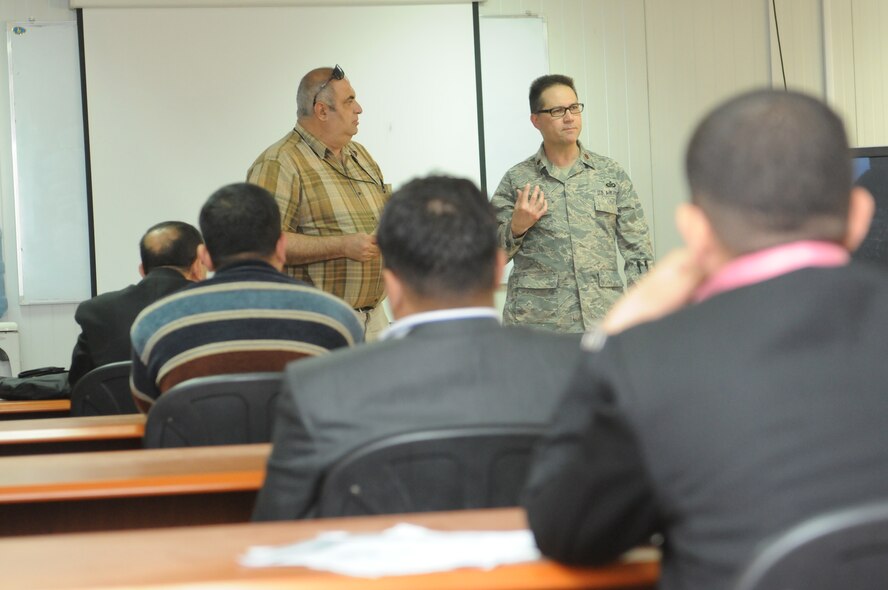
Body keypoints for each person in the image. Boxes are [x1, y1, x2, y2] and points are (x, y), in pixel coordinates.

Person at [522, 89, 888, 590]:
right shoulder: (517, 181)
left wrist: (609, 339)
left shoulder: (647, 365)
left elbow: (566, 530)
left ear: (694, 231)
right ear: (861, 213)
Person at [252, 175, 584, 521]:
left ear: (391, 286)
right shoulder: (577, 369)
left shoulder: (316, 390)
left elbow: (278, 535)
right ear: (498, 269)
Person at [130, 183, 363, 412]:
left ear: (205, 257)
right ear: (281, 247)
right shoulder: (337, 319)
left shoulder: (154, 324)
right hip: (301, 451)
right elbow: (353, 403)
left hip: (199, 449)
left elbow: (153, 413)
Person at [490, 74, 654, 333]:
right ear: (536, 120)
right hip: (537, 324)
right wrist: (516, 228)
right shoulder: (517, 179)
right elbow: (490, 256)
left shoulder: (610, 174)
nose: (569, 117)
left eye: (574, 108)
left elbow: (639, 253)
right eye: (557, 111)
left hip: (602, 320)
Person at [247, 65, 390, 340]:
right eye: (349, 101)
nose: (359, 108)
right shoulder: (280, 163)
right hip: (317, 325)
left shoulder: (360, 155)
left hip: (375, 320)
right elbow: (262, 244)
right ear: (322, 110)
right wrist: (342, 246)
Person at [68, 221, 204, 387]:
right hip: (192, 411)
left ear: (142, 270)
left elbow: (78, 384)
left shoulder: (97, 311)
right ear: (198, 265)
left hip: (118, 412)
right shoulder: (217, 306)